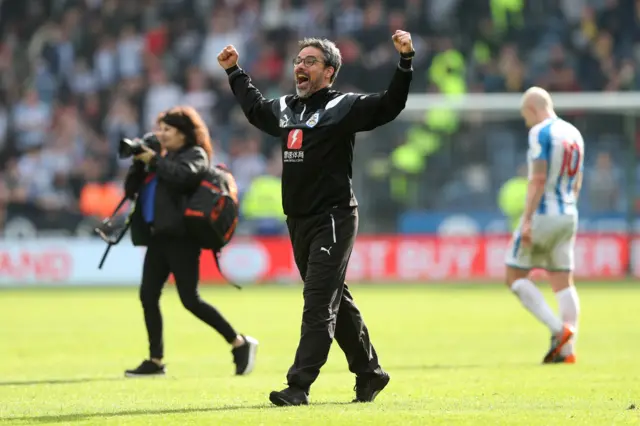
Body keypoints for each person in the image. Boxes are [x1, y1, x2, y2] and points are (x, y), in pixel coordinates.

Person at [217, 30, 414, 406]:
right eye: (298, 61)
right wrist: (234, 72)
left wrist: (405, 62)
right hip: (299, 221)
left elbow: (390, 105)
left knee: (318, 302)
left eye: (310, 61)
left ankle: (299, 385)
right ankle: (370, 372)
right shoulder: (288, 108)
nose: (300, 67)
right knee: (335, 301)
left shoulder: (343, 106)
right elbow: (257, 111)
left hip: (333, 217)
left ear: (329, 72)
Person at [122, 106, 258, 377]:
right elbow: (130, 192)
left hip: (182, 238)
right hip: (158, 235)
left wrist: (155, 160)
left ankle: (239, 343)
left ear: (184, 134)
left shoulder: (194, 155)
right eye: (160, 128)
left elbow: (185, 177)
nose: (161, 134)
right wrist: (140, 162)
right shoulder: (160, 156)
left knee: (190, 300)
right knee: (148, 295)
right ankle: (156, 360)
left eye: (168, 130)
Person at [504, 87, 583, 364]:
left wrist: (526, 220)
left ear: (533, 109)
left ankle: (559, 330)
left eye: (526, 115)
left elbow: (537, 179)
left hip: (543, 213)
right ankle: (567, 350)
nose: (527, 122)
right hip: (568, 213)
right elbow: (577, 181)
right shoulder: (574, 133)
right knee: (562, 279)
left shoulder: (540, 132)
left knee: (514, 276)